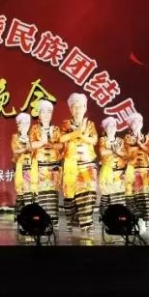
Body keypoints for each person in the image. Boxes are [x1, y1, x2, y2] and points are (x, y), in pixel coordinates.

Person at [58, 93, 98, 232]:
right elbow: (61, 138)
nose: (78, 109)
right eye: (75, 107)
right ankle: (74, 221)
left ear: (85, 108)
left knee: (89, 192)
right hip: (71, 164)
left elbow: (94, 140)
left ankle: (86, 223)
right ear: (70, 109)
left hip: (87, 164)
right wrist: (76, 133)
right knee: (71, 196)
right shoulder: (65, 124)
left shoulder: (90, 124)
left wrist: (81, 134)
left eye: (80, 106)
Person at [29, 100, 62, 225]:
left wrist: (52, 144)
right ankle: (40, 221)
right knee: (40, 194)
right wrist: (42, 142)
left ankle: (53, 221)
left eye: (49, 111)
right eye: (43, 111)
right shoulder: (34, 129)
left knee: (52, 194)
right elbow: (30, 145)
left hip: (53, 167)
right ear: (39, 114)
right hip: (40, 167)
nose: (47, 114)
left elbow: (61, 145)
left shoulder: (56, 129)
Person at [123, 112, 149, 225]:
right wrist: (139, 145)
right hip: (132, 169)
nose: (137, 124)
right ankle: (136, 217)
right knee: (134, 194)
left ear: (142, 124)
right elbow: (128, 151)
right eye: (134, 122)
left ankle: (146, 218)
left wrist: (141, 144)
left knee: (145, 194)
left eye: (139, 122)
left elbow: (148, 150)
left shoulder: (146, 138)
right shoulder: (127, 138)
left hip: (144, 169)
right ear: (130, 125)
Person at [98, 117, 126, 218]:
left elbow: (125, 155)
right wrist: (116, 151)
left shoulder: (121, 141)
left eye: (113, 126)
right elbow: (102, 152)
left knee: (119, 197)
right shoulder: (103, 140)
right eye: (108, 127)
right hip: (107, 172)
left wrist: (118, 152)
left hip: (119, 172)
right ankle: (105, 218)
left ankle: (119, 217)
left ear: (116, 128)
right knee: (106, 196)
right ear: (105, 129)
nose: (111, 128)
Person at [11, 112, 34, 218]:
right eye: (22, 123)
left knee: (29, 191)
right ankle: (20, 214)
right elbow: (16, 150)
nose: (24, 125)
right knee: (21, 192)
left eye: (27, 123)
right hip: (20, 167)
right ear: (18, 125)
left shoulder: (32, 137)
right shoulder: (15, 137)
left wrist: (29, 144)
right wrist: (26, 148)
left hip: (31, 167)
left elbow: (34, 150)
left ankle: (28, 214)